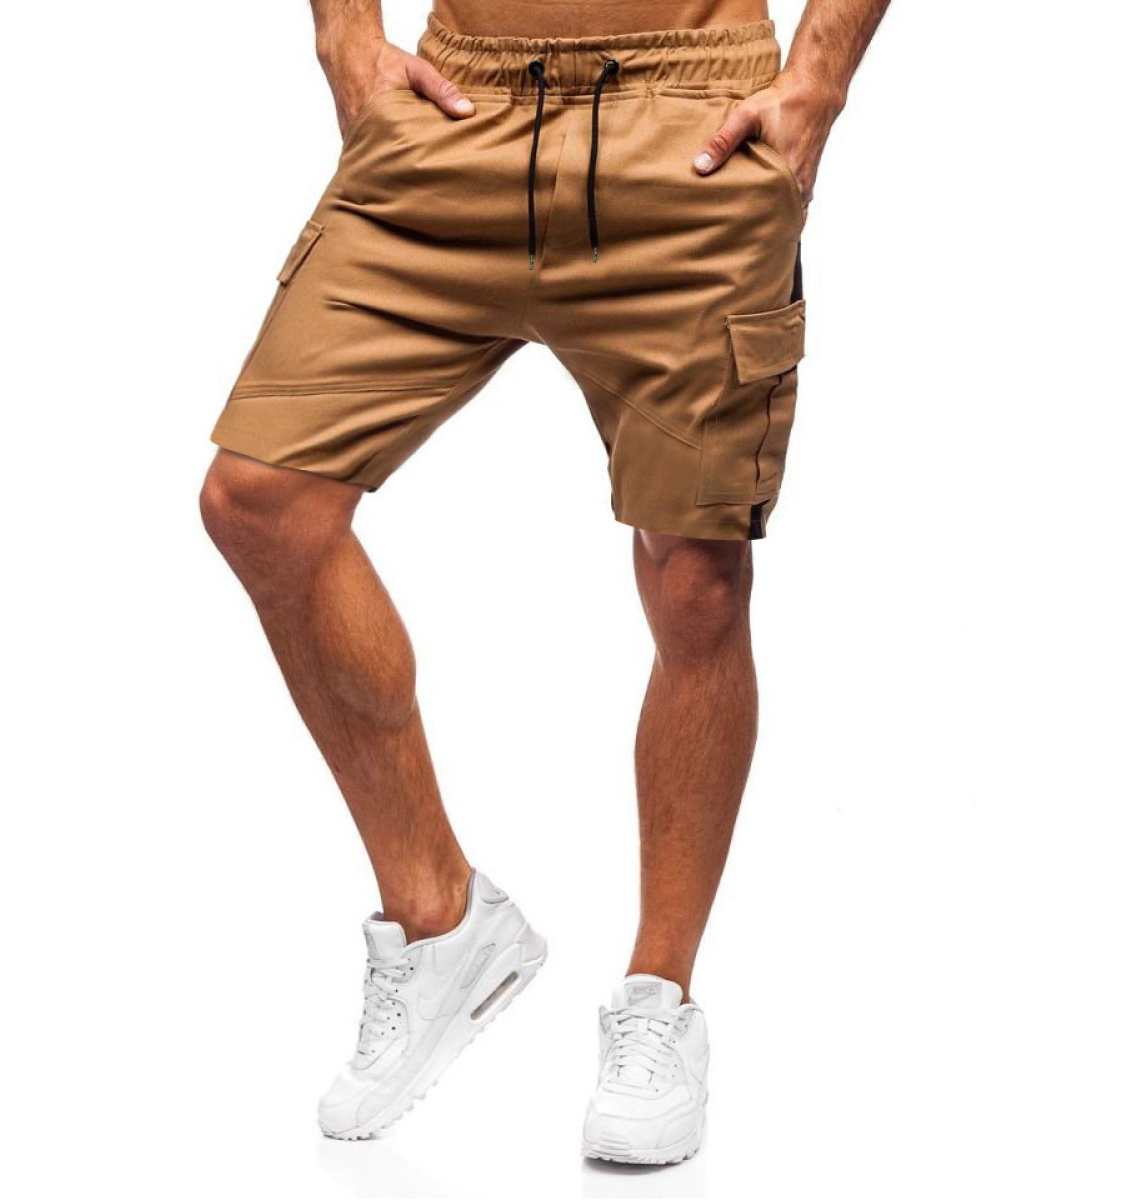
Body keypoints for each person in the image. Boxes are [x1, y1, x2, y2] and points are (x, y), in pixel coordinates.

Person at [200, 0, 888, 1164]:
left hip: (689, 119)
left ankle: (659, 1000)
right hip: (456, 113)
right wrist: (344, 34)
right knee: (260, 501)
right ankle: (440, 921)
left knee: (695, 577)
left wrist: (819, 77)